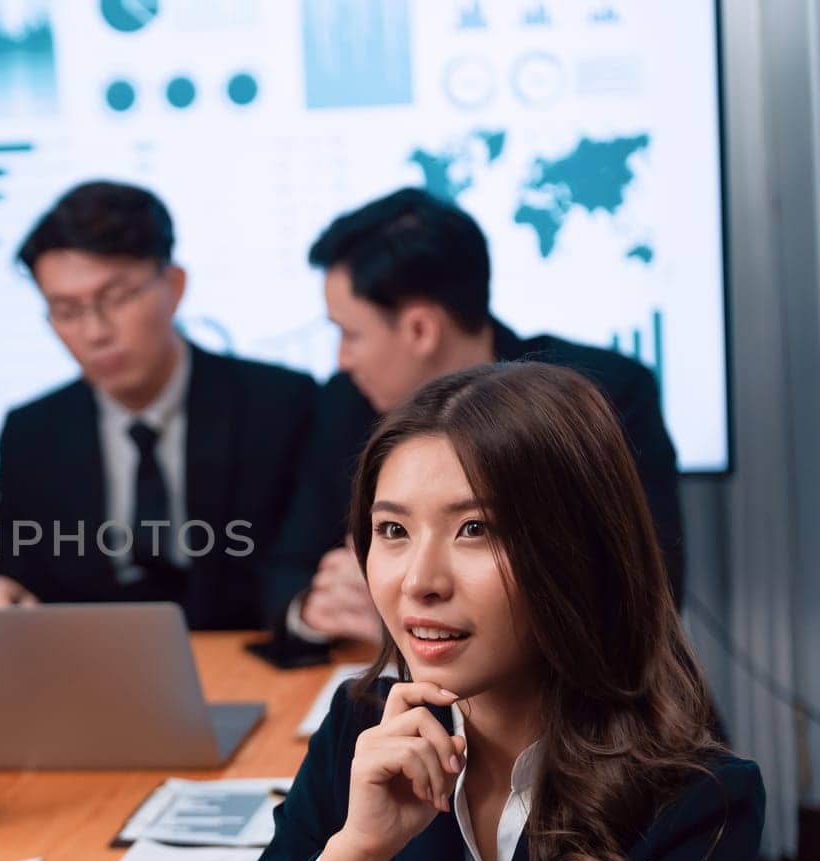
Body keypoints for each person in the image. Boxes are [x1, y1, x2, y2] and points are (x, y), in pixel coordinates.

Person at [120, 363, 775, 861]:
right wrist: (351, 858)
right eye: (392, 530)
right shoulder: (362, 728)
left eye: (475, 529)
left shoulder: (696, 798)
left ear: (578, 551)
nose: (419, 582)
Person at [262, 188, 684, 651]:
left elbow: (648, 589)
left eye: (350, 334)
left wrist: (407, 612)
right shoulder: (344, 404)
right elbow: (286, 569)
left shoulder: (598, 395)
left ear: (421, 329)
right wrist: (317, 607)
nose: (342, 359)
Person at [0, 181, 317, 629]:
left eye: (115, 298)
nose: (95, 332)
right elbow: (17, 577)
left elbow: (298, 565)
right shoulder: (31, 434)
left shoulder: (279, 405)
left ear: (174, 286)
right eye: (66, 310)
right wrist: (4, 597)